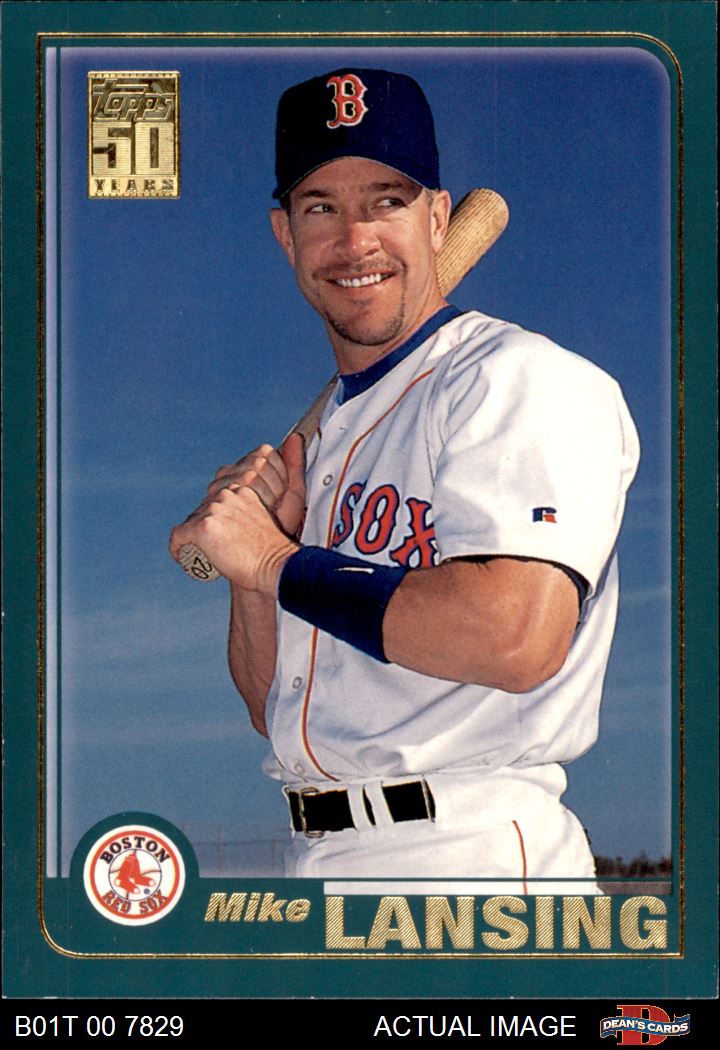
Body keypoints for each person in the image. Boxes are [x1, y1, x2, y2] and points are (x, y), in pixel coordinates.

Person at [169, 68, 640, 892]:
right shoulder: (333, 436)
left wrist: (278, 564)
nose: (355, 241)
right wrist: (255, 568)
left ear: (438, 218)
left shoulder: (516, 380)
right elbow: (273, 708)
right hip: (321, 854)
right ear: (285, 234)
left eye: (386, 201)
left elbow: (516, 636)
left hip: (470, 860)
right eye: (322, 208)